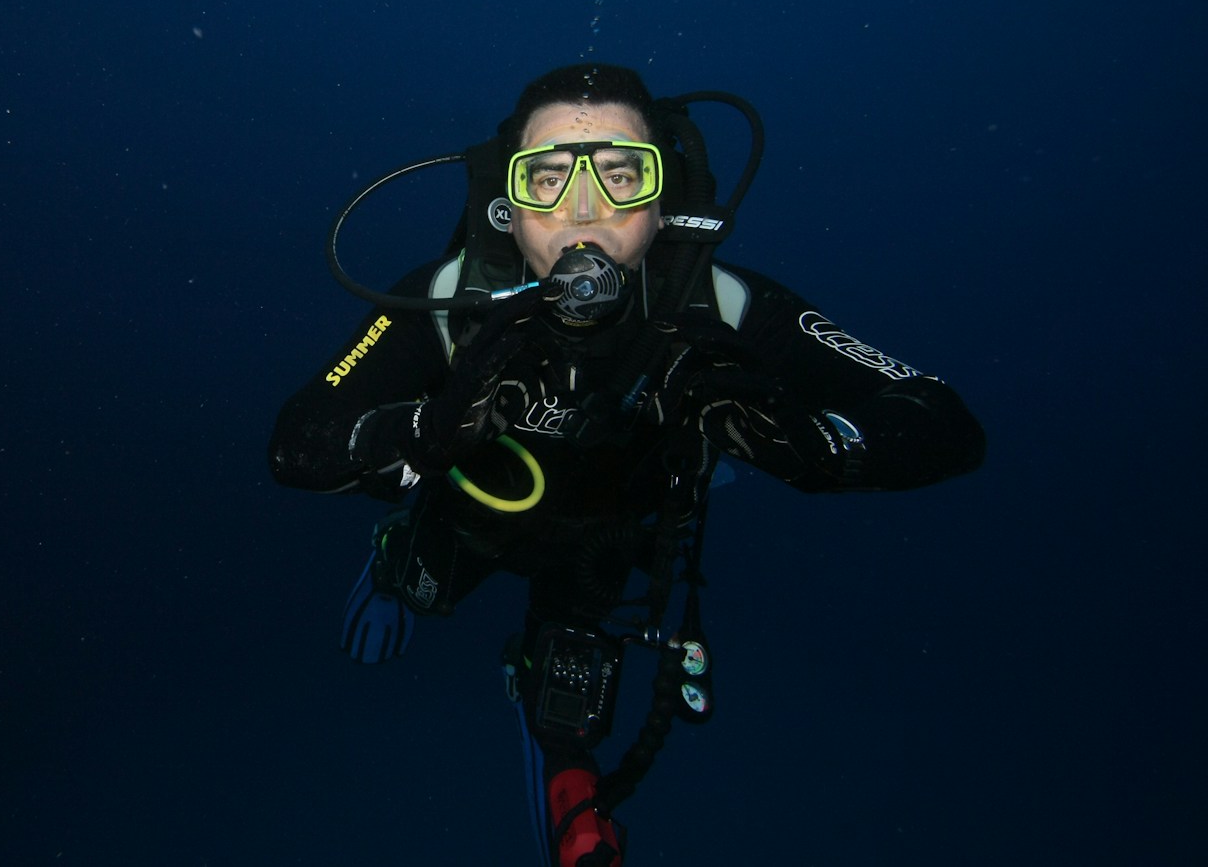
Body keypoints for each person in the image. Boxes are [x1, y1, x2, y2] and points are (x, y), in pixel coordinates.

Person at [267, 63, 985, 867]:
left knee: (570, 704)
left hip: (607, 540)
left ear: (661, 198)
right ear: (507, 206)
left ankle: (574, 801)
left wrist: (820, 448)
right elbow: (298, 439)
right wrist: (428, 430)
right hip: (475, 510)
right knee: (426, 576)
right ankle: (395, 566)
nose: (581, 208)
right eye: (545, 177)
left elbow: (945, 418)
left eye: (619, 174)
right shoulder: (449, 299)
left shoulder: (725, 308)